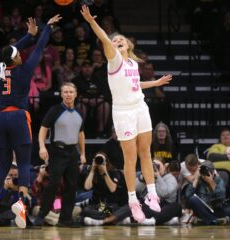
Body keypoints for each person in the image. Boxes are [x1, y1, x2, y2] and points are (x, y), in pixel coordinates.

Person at [80, 5, 173, 222]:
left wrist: (156, 83)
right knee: (130, 158)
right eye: (114, 41)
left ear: (128, 44)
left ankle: (151, 194)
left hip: (140, 107)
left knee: (146, 153)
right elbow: (104, 38)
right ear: (110, 48)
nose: (117, 41)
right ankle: (133, 200)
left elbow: (135, 84)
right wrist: (92, 22)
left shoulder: (132, 62)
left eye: (121, 40)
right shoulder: (115, 60)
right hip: (123, 113)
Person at [0, 15, 62, 230]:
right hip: (17, 116)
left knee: (4, 164)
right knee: (24, 163)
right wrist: (47, 29)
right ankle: (22, 202)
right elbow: (40, 47)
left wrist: (28, 36)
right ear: (16, 58)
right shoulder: (24, 70)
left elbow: (7, 51)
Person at [34, 82, 86, 228]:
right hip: (57, 151)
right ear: (62, 94)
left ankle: (66, 219)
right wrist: (42, 147)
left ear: (76, 94)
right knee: (53, 185)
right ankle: (41, 215)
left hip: (73, 153)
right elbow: (43, 129)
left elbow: (81, 134)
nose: (68, 94)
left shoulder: (80, 112)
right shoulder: (54, 110)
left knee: (72, 186)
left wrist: (82, 153)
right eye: (65, 92)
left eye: (71, 92)